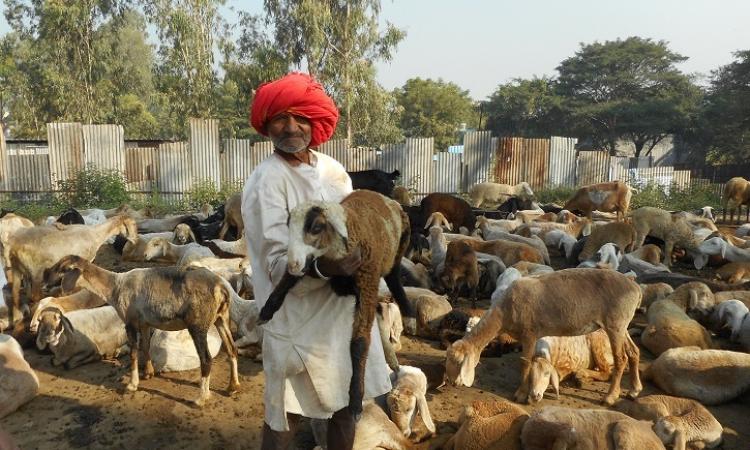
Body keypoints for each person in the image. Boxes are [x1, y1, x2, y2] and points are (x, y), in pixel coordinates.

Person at [242, 72, 392, 450]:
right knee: (284, 414)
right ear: (267, 125)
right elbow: (276, 260)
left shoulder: (333, 170)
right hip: (296, 317)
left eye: (299, 118)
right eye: (280, 118)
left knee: (347, 405)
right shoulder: (267, 182)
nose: (291, 127)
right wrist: (326, 267)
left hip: (342, 314)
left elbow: (357, 225)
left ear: (313, 121)